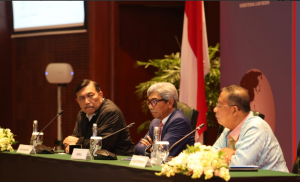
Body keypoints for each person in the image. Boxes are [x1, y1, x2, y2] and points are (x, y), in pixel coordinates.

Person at [213, 85, 288, 172]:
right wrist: (226, 152)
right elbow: (210, 156)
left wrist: (231, 153)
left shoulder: (255, 127)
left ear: (234, 110)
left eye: (219, 105)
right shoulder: (229, 129)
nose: (215, 109)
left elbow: (238, 166)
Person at [63, 79, 134, 156]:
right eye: (82, 98)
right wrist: (71, 146)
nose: (86, 101)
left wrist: (78, 142)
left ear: (100, 95)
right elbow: (74, 140)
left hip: (119, 162)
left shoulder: (111, 112)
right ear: (77, 101)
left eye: (90, 95)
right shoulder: (82, 114)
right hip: (94, 161)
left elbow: (102, 145)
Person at [134, 82, 195, 157]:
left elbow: (162, 154)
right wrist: (151, 148)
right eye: (149, 102)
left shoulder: (179, 121)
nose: (150, 107)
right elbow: (137, 148)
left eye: (155, 101)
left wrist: (152, 148)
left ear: (170, 103)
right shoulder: (155, 122)